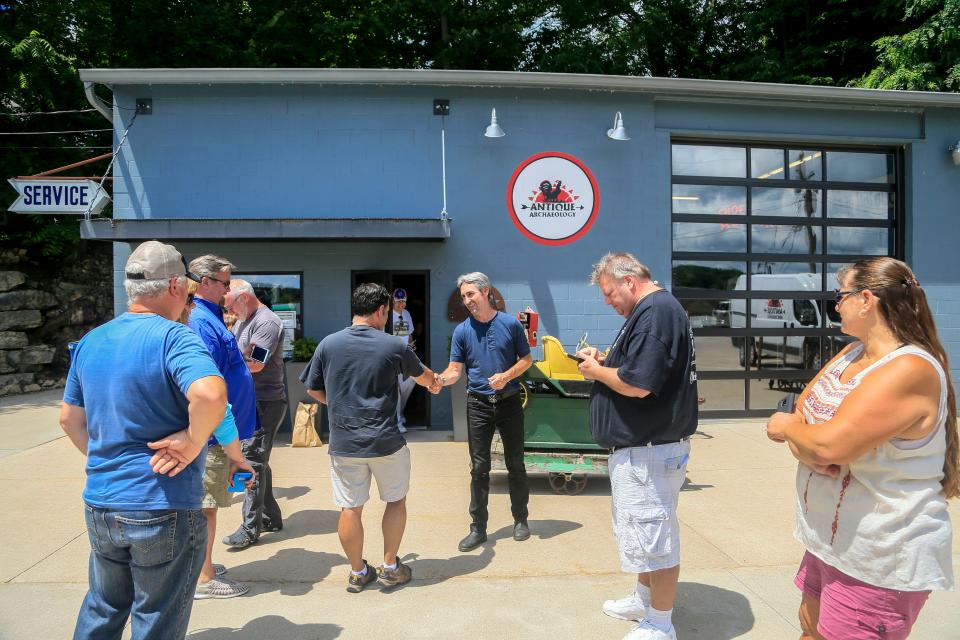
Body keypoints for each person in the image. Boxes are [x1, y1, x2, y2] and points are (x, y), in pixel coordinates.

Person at [766, 257, 956, 640]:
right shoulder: (852, 354)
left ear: (867, 299)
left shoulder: (910, 368)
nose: (836, 305)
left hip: (879, 555)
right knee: (809, 627)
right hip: (831, 542)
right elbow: (805, 411)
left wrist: (792, 431)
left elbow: (822, 441)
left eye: (842, 295)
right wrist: (806, 439)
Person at [60, 240, 226, 640]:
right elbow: (210, 394)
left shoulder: (92, 341)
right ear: (174, 287)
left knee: (103, 607)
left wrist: (107, 460)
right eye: (186, 290)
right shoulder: (174, 337)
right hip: (161, 503)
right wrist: (191, 440)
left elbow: (69, 419)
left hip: (101, 502)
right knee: (156, 619)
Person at [577, 252, 698, 640]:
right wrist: (606, 360)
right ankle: (643, 599)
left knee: (655, 537)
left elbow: (639, 384)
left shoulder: (655, 312)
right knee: (644, 536)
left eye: (610, 293)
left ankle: (660, 623)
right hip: (645, 449)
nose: (608, 301)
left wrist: (596, 371)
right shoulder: (652, 312)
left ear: (630, 282)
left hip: (649, 450)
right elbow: (636, 368)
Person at [304, 283, 440, 592]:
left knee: (350, 507)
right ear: (381, 310)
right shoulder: (393, 346)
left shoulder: (328, 344)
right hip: (386, 442)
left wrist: (337, 404)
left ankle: (357, 572)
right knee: (395, 501)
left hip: (344, 443)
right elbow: (424, 377)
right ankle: (390, 566)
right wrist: (438, 382)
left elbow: (312, 389)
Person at [435, 272, 534, 552]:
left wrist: (506, 375)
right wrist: (439, 381)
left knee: (515, 464)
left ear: (486, 292)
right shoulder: (462, 331)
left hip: (509, 401)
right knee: (479, 468)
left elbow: (526, 360)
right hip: (478, 405)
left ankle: (520, 520)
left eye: (471, 295)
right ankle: (478, 529)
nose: (467, 301)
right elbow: (455, 371)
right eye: (464, 296)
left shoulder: (510, 325)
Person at [187, 255, 259, 599]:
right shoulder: (202, 320)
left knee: (210, 503)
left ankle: (206, 565)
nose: (229, 289)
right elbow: (207, 383)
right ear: (204, 282)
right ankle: (203, 578)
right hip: (215, 435)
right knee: (207, 507)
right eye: (224, 283)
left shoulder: (210, 317)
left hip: (220, 432)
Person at [221, 279, 288, 550]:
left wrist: (226, 369)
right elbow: (241, 357)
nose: (231, 314)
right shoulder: (244, 321)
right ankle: (271, 517)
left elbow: (255, 363)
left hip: (266, 402)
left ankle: (250, 529)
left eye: (232, 307)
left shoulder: (266, 322)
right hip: (252, 401)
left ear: (244, 298)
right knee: (259, 459)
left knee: (253, 461)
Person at [391, 287, 416, 433]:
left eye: (403, 301)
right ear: (393, 302)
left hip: (406, 355)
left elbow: (410, 333)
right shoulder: (389, 315)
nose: (401, 304)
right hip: (393, 357)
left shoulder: (406, 314)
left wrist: (411, 346)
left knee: (409, 382)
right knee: (395, 389)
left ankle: (400, 412)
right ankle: (398, 421)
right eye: (398, 301)